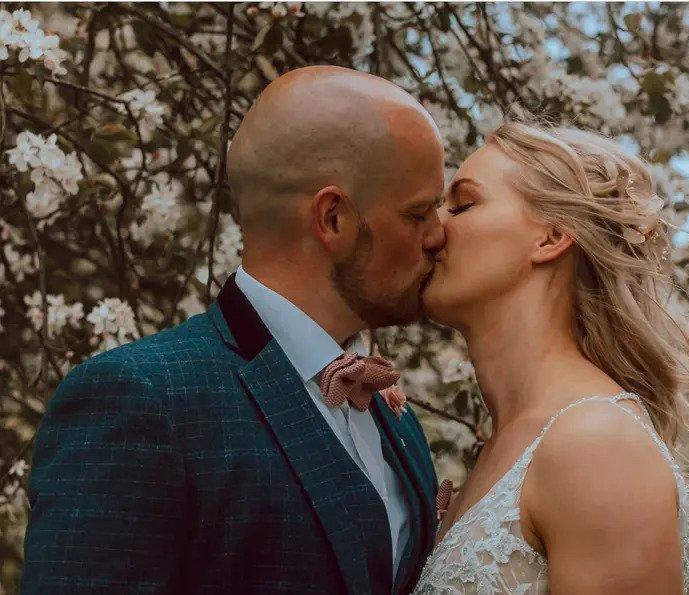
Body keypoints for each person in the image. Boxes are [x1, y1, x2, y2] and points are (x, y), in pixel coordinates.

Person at [22, 66, 445, 594]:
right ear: (333, 218)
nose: (438, 235)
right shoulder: (143, 402)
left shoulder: (390, 414)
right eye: (418, 213)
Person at [414, 119, 689, 594]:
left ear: (551, 238)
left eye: (462, 204)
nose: (433, 230)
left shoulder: (595, 446)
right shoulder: (511, 439)